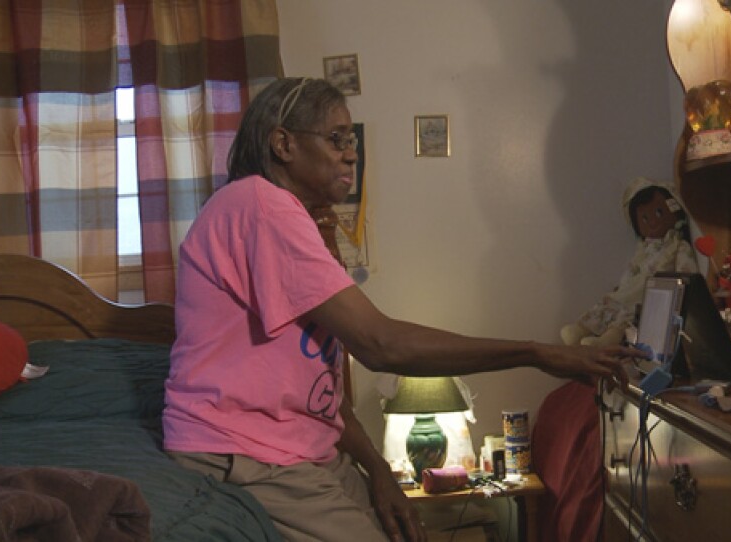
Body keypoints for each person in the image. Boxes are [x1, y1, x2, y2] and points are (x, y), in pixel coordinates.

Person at [162, 77, 644, 542]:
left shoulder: (291, 221)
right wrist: (537, 354)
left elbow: (317, 388)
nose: (351, 152)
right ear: (283, 144)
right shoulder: (260, 205)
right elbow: (380, 344)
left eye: (351, 139)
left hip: (302, 447)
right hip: (241, 449)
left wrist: (377, 471)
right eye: (335, 138)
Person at [560, 177, 703, 347]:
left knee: (630, 313)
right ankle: (580, 329)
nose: (652, 221)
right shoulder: (644, 248)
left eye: (659, 213)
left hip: (654, 294)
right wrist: (622, 287)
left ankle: (607, 340)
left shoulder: (677, 244)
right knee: (611, 301)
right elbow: (633, 269)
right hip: (633, 288)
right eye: (644, 218)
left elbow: (687, 275)